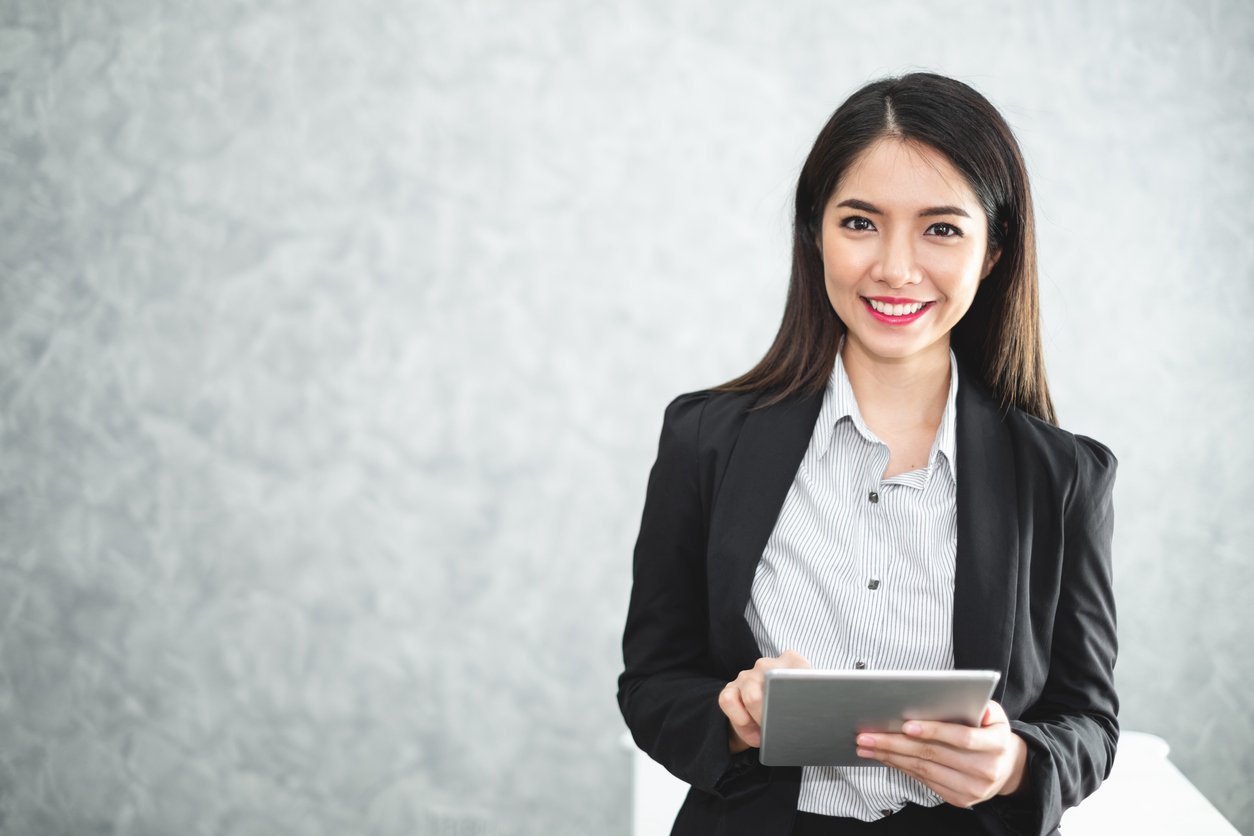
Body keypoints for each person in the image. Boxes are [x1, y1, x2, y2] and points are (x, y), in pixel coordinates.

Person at [617, 72, 1118, 836]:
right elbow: (653, 681)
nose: (894, 267)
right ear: (814, 231)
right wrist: (730, 717)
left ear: (992, 252)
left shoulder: (1064, 477)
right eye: (860, 222)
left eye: (941, 228)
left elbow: (1087, 720)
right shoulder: (705, 441)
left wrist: (1016, 762)